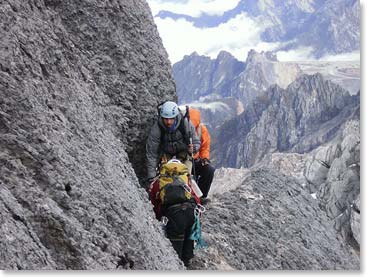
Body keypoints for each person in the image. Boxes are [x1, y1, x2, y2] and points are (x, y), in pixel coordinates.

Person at [146, 101, 201, 267]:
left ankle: (191, 202)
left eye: (170, 119)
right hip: (167, 160)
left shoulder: (185, 123)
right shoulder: (157, 128)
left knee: (186, 182)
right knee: (168, 184)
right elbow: (151, 153)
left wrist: (193, 148)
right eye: (165, 119)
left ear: (175, 116)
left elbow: (197, 143)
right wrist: (151, 179)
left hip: (184, 158)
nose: (168, 122)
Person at [188, 108, 215, 204]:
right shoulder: (182, 129)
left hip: (196, 160)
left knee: (209, 170)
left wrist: (204, 159)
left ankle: (202, 196)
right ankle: (190, 199)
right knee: (191, 178)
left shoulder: (201, 130)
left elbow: (205, 147)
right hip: (185, 161)